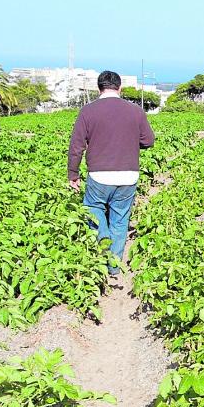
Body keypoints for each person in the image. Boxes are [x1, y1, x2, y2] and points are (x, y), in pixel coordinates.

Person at [67, 70, 155, 284]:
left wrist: (73, 174)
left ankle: (101, 243)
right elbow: (149, 141)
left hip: (99, 175)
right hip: (128, 175)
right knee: (120, 219)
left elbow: (77, 146)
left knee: (95, 210)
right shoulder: (135, 111)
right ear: (120, 88)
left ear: (99, 89)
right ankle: (114, 267)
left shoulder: (88, 111)